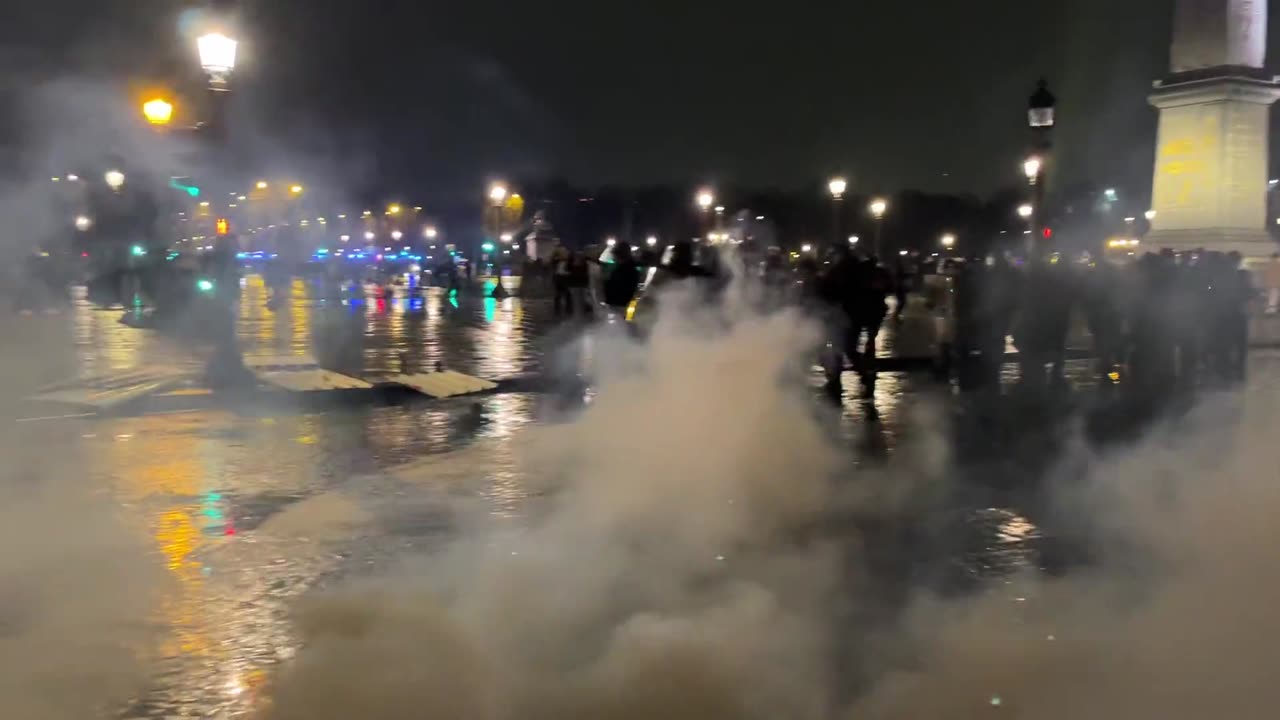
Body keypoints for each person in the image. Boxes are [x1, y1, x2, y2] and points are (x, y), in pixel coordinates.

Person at [603, 242, 640, 314]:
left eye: (615, 254)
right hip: (626, 306)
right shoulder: (631, 268)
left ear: (620, 255)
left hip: (621, 307)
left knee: (626, 323)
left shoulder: (624, 271)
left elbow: (618, 289)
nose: (613, 258)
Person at [551, 243, 572, 317]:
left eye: (564, 251)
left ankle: (568, 309)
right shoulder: (555, 261)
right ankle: (557, 310)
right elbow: (551, 265)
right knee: (558, 295)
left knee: (567, 294)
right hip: (558, 278)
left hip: (565, 278)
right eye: (561, 251)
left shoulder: (569, 261)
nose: (563, 253)